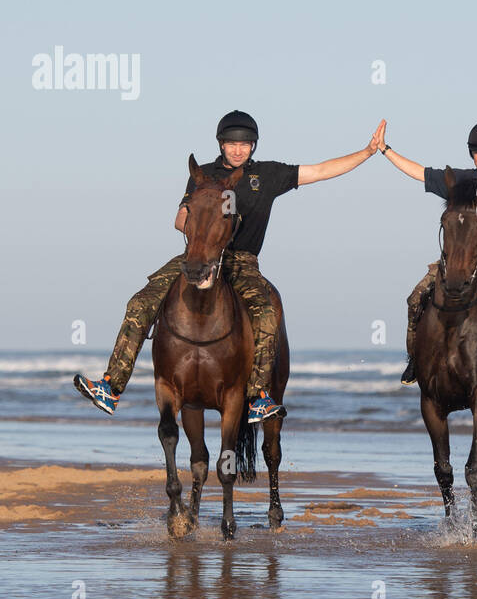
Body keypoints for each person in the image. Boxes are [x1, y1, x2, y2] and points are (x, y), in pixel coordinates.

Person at [74, 110, 384, 423]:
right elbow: (180, 219)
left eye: (245, 144)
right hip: (199, 254)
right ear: (221, 144)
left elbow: (320, 170)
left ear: (253, 146)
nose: (238, 149)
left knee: (267, 312)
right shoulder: (203, 175)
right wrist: (206, 234)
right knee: (140, 302)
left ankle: (258, 397)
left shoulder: (267, 175)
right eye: (232, 144)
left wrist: (368, 152)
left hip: (243, 260)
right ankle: (110, 386)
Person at [378, 118, 477, 418]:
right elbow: (421, 173)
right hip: (463, 255)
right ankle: (415, 360)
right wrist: (385, 150)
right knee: (416, 297)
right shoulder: (462, 181)